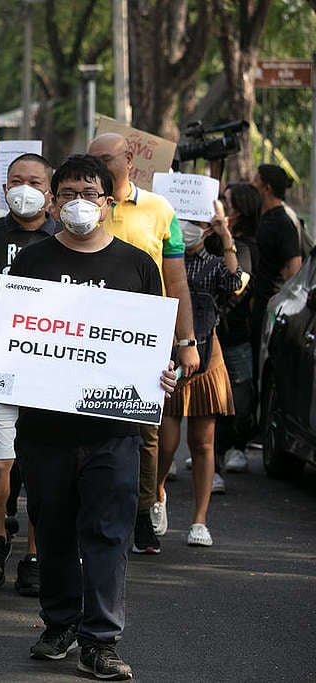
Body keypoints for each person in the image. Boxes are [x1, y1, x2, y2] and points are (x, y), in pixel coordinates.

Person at [0, 155, 177, 681]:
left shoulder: (138, 266)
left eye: (89, 193)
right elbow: (7, 337)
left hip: (114, 429)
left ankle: (101, 640)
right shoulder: (30, 264)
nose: (77, 203)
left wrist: (163, 375)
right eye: (67, 194)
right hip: (46, 429)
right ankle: (60, 623)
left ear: (109, 203)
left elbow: (149, 350)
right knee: (54, 526)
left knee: (108, 533)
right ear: (52, 201)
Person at [88, 132, 197, 556]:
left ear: (128, 158)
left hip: (142, 336)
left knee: (146, 431)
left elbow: (176, 281)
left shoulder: (158, 210)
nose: (97, 166)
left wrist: (185, 340)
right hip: (87, 333)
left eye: (105, 159)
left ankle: (143, 511)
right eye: (90, 158)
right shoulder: (83, 207)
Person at [0, 153, 56, 595]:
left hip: (50, 377)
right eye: (16, 180)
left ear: (50, 192)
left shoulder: (67, 240)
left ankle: (36, 554)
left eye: (34, 181)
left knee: (41, 468)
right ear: (2, 187)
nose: (25, 188)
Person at [156, 202, 242, 547]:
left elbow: (235, 284)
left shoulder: (214, 264)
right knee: (165, 442)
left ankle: (199, 519)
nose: (188, 227)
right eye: (182, 221)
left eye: (195, 221)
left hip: (208, 355)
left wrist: (225, 234)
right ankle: (157, 493)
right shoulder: (164, 259)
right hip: (169, 355)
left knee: (203, 442)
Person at [213, 183, 261, 475]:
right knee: (211, 403)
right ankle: (211, 455)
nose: (220, 207)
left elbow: (237, 284)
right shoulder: (209, 243)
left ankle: (235, 446)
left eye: (225, 203)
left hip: (236, 334)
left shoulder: (245, 247)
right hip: (213, 334)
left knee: (240, 398)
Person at [250, 164, 303, 364]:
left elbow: (294, 268)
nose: (252, 184)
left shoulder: (284, 223)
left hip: (271, 308)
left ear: (267, 188)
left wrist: (281, 302)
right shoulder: (261, 217)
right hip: (259, 304)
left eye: (256, 180)